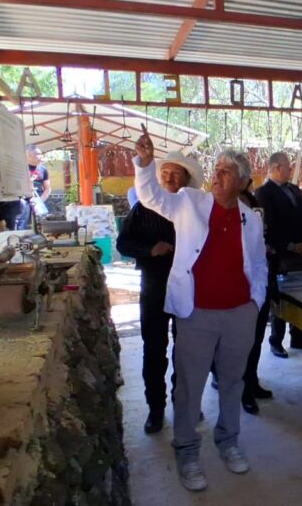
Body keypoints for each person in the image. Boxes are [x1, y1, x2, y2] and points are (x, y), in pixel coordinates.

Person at [133, 133, 268, 493]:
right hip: (197, 314)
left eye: (228, 171)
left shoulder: (251, 219)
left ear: (242, 182)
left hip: (240, 313)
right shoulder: (189, 202)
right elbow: (150, 196)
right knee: (190, 385)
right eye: (217, 168)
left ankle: (228, 440)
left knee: (232, 381)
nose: (218, 174)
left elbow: (257, 264)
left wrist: (256, 301)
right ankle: (187, 450)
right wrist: (145, 164)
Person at [117, 152, 201, 434]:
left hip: (188, 289)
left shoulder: (193, 208)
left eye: (176, 173)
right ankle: (156, 408)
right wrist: (150, 250)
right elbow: (123, 243)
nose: (168, 176)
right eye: (165, 171)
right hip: (153, 288)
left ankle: (185, 404)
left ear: (187, 180)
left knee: (187, 351)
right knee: (154, 350)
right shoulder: (143, 207)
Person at [256, 151, 302, 357]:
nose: (291, 170)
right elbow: (269, 228)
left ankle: (297, 337)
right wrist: (290, 246)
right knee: (280, 298)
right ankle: (276, 340)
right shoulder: (263, 192)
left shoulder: (293, 189)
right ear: (277, 168)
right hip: (281, 255)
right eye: (288, 166)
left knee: (300, 294)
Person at [235, 175, 275, 415]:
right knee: (239, 345)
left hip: (258, 290)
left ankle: (251, 382)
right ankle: (243, 391)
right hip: (235, 294)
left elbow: (259, 254)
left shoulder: (254, 214)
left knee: (256, 340)